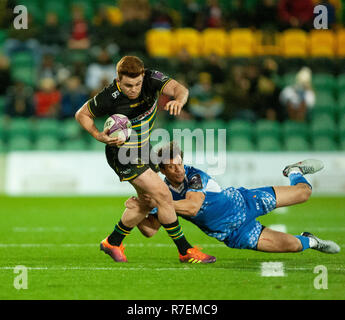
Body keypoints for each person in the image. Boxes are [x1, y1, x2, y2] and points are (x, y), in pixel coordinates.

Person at [75, 56, 216, 264]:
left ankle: (113, 242)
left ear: (143, 76)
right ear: (118, 80)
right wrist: (99, 135)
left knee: (148, 206)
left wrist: (179, 101)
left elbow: (181, 89)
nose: (134, 89)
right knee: (162, 194)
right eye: (128, 85)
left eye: (138, 83)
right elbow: (82, 114)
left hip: (144, 147)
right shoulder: (109, 96)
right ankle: (185, 250)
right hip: (122, 153)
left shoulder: (152, 79)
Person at [129, 142, 340, 255]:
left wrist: (157, 203)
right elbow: (150, 230)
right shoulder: (162, 192)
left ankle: (294, 171)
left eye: (180, 163)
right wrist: (138, 211)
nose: (179, 169)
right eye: (172, 166)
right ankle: (312, 240)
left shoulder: (194, 175)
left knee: (304, 193)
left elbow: (193, 207)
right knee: (294, 246)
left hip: (246, 201)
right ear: (163, 170)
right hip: (236, 234)